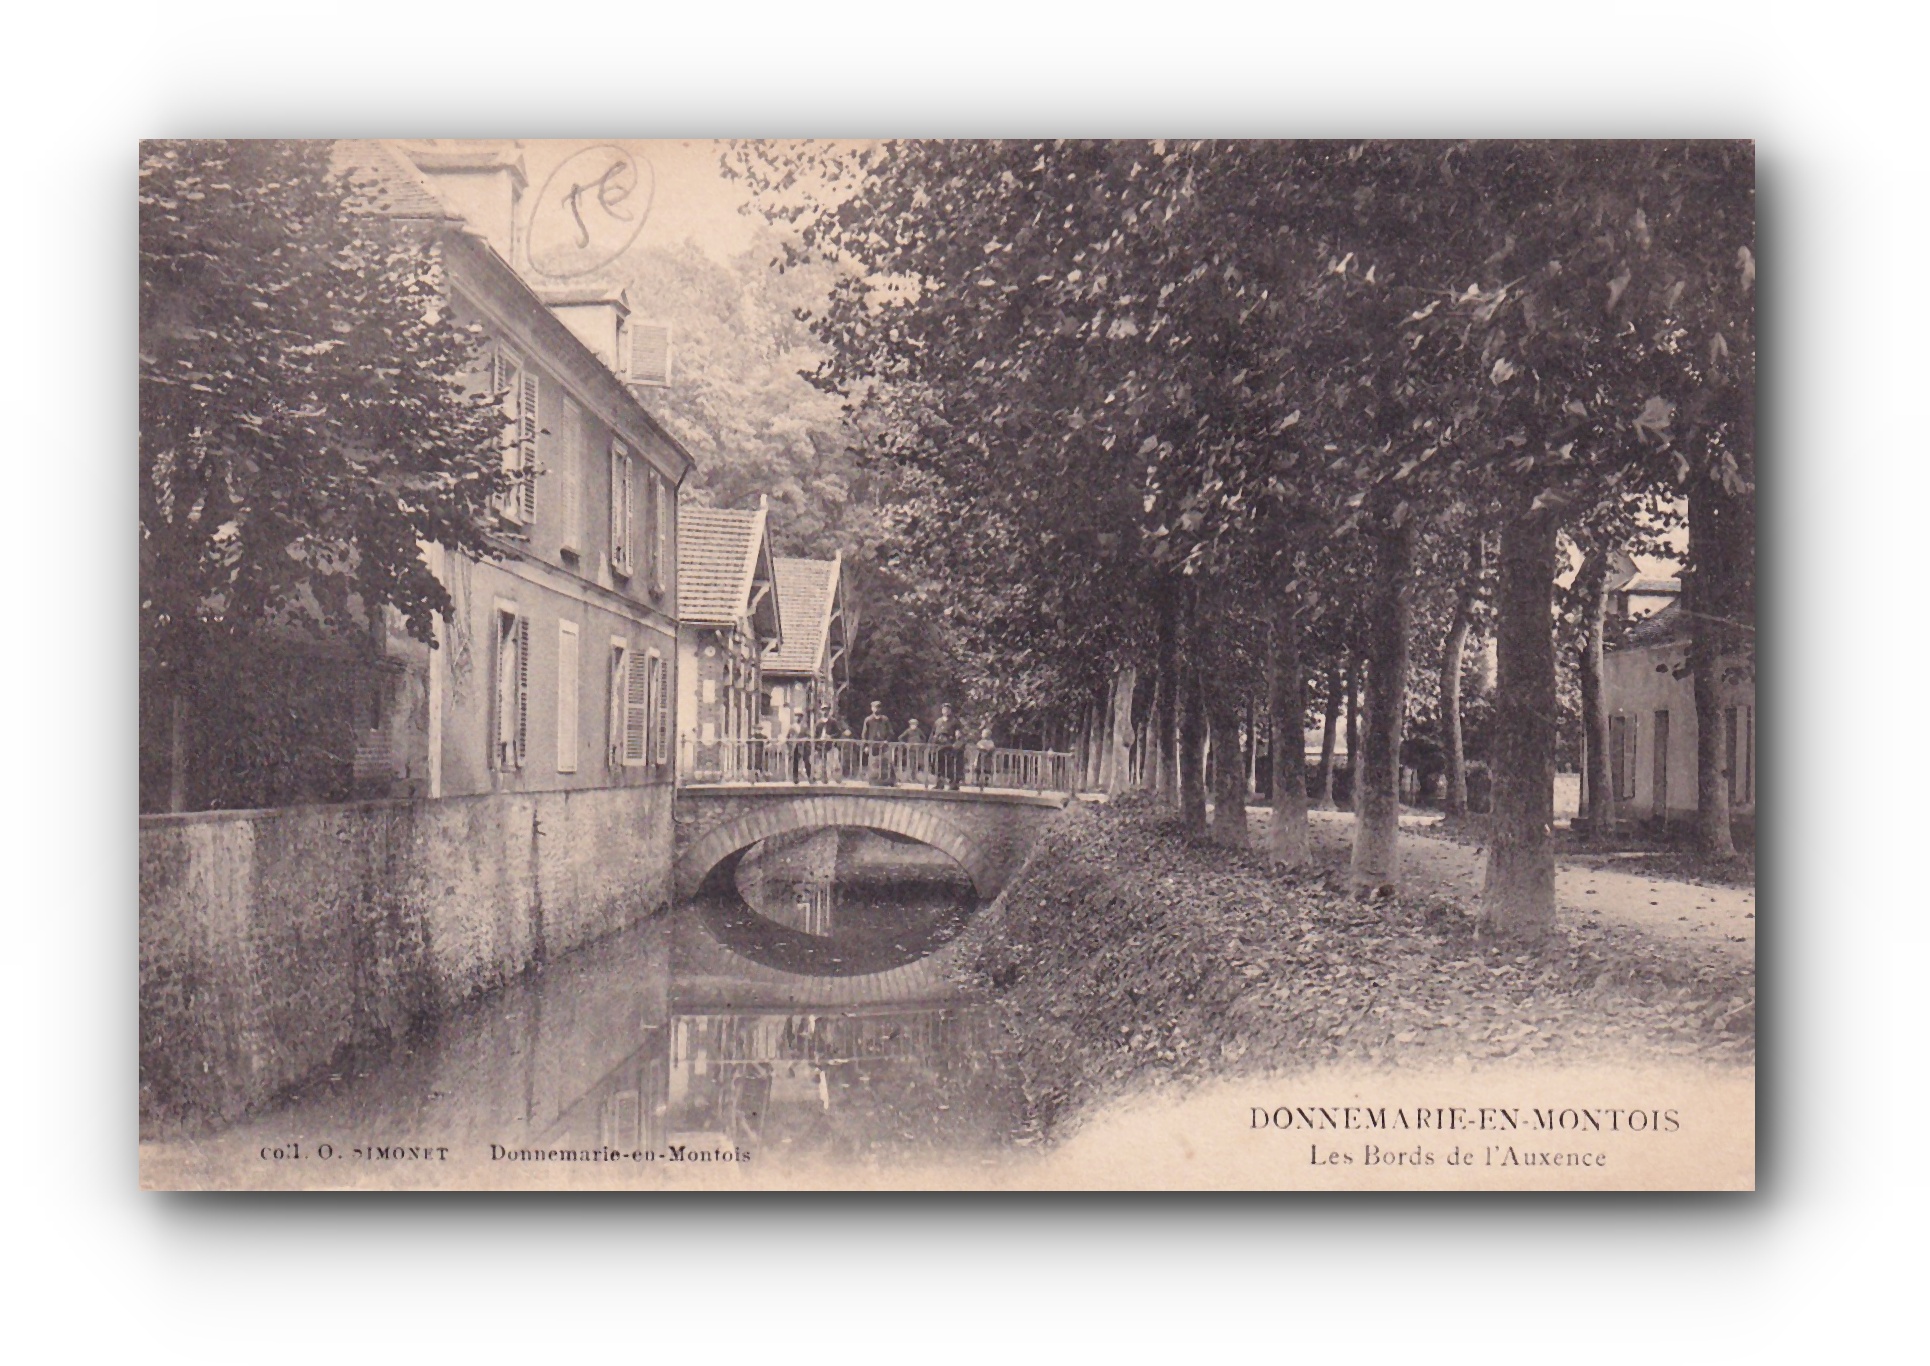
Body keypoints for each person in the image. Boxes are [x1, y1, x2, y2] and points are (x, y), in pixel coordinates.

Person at [930, 703, 965, 791]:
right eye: (944, 709)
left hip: (950, 747)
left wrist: (956, 743)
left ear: (950, 710)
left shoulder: (954, 721)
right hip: (939, 747)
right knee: (938, 765)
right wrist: (932, 743)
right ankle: (939, 783)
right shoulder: (938, 721)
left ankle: (953, 784)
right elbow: (933, 734)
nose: (945, 711)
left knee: (952, 765)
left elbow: (959, 735)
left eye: (947, 709)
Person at [861, 701, 894, 786]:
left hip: (884, 745)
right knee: (873, 763)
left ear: (881, 708)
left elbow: (890, 732)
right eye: (875, 707)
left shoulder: (885, 719)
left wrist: (887, 740)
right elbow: (864, 734)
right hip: (873, 745)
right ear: (872, 708)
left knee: (887, 762)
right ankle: (873, 781)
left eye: (878, 707)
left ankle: (889, 781)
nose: (876, 709)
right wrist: (866, 746)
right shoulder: (868, 720)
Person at [899, 716, 927, 786]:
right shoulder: (908, 731)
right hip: (911, 750)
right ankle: (909, 778)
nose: (914, 726)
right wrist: (905, 744)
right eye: (912, 724)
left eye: (915, 724)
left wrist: (921, 745)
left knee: (916, 764)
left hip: (917, 750)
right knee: (910, 764)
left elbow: (924, 737)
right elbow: (900, 737)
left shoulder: (918, 731)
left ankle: (915, 778)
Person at [973, 723, 997, 790]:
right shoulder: (980, 742)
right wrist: (982, 748)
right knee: (978, 769)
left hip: (987, 758)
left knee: (987, 770)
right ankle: (977, 780)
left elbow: (992, 748)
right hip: (980, 758)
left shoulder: (990, 742)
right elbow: (978, 746)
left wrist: (988, 750)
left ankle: (986, 780)